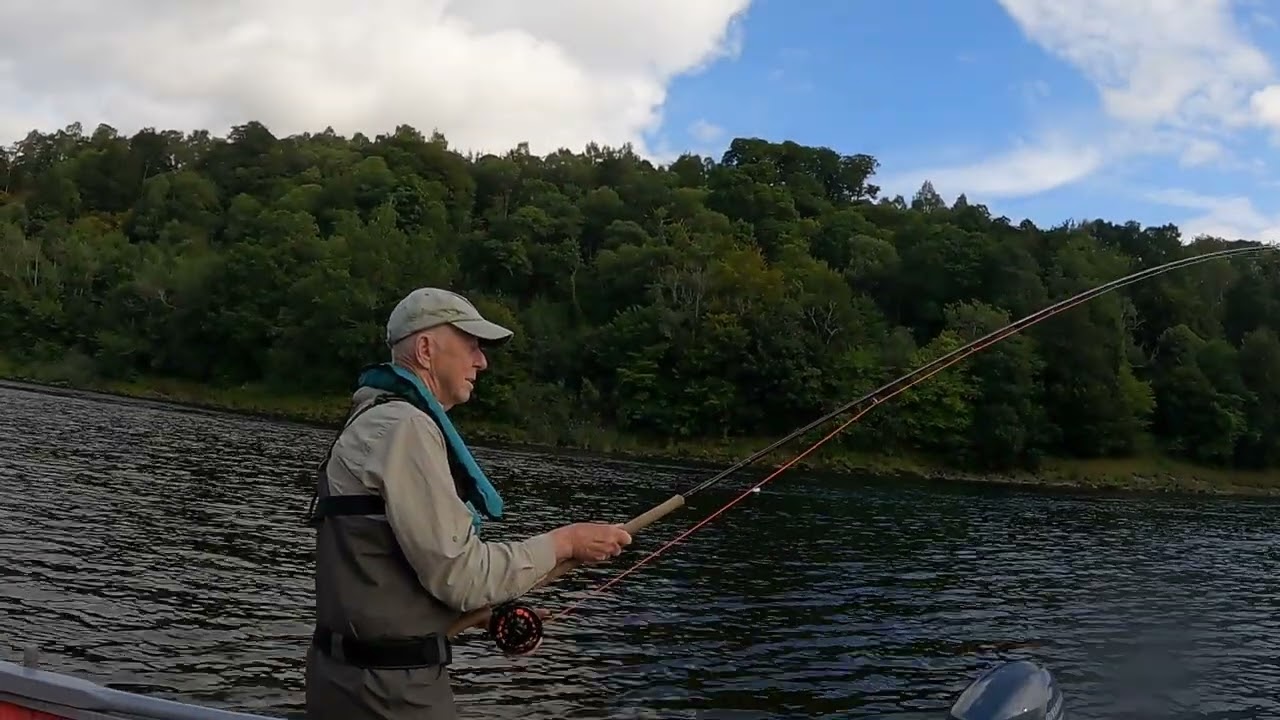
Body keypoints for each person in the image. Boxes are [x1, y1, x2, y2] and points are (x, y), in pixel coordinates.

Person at [304, 287, 633, 720]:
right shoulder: (405, 429)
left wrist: (484, 614)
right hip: (389, 694)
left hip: (345, 680)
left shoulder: (375, 417)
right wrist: (566, 542)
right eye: (472, 346)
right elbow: (460, 575)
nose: (482, 361)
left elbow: (385, 565)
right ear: (425, 349)